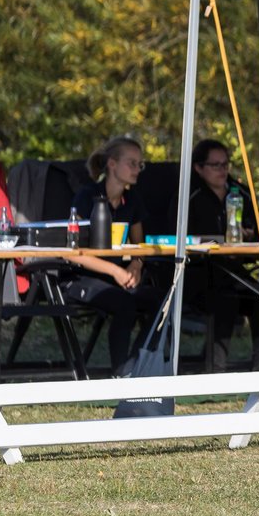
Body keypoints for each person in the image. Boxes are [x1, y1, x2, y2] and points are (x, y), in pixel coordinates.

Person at [65, 136, 164, 375]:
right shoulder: (87, 196)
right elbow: (72, 252)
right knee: (125, 304)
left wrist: (136, 267)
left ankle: (135, 365)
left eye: (140, 164)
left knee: (164, 301)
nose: (137, 170)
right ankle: (121, 373)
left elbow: (138, 246)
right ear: (111, 164)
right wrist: (115, 270)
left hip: (116, 277)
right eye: (131, 163)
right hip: (80, 277)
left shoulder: (133, 199)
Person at [185, 139, 259, 368]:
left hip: (234, 271)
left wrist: (248, 235)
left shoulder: (241, 193)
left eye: (225, 164)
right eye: (215, 165)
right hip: (197, 274)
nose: (222, 170)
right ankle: (215, 374)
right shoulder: (189, 197)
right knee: (224, 301)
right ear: (199, 168)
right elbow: (180, 238)